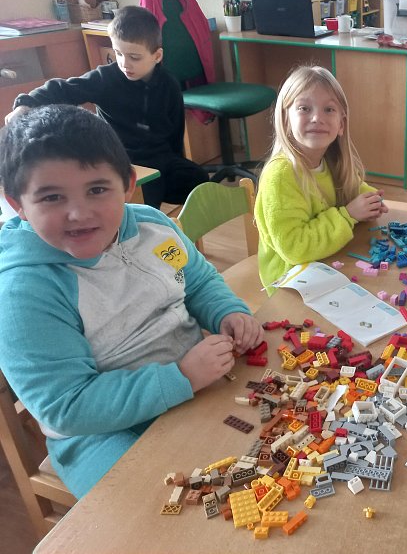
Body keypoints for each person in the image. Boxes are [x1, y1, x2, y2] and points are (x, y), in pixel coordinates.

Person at [0, 105, 264, 498]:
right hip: (99, 433)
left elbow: (198, 281)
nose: (78, 213)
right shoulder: (23, 293)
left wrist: (227, 312)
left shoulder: (153, 225)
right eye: (52, 197)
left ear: (127, 184)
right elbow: (67, 406)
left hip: (193, 380)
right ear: (17, 204)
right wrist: (181, 377)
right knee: (157, 507)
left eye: (97, 190)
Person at [4, 6, 208, 209]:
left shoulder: (169, 84)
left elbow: (175, 132)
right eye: (118, 53)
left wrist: (175, 161)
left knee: (198, 181)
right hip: (120, 159)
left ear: (157, 56)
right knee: (147, 198)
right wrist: (25, 103)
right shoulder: (105, 78)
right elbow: (63, 89)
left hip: (159, 157)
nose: (125, 63)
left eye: (134, 57)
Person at [255, 66, 388, 292]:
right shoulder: (280, 175)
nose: (317, 118)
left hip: (329, 262)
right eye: (304, 108)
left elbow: (352, 187)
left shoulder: (330, 161)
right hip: (291, 283)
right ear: (286, 120)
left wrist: (369, 198)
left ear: (341, 124)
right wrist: (348, 215)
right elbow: (294, 248)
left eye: (329, 109)